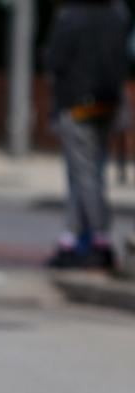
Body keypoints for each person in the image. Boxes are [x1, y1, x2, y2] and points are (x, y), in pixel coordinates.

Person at [45, 0, 131, 269]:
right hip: (108, 103)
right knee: (93, 172)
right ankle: (75, 236)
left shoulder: (71, 16)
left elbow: (54, 60)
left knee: (82, 175)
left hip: (77, 103)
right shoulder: (119, 13)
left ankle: (95, 239)